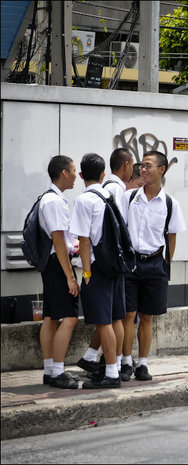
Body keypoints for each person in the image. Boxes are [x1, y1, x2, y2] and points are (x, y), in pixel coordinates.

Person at [119, 150, 186, 381]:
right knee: (128, 314)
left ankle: (143, 363)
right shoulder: (128, 198)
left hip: (156, 263)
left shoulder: (170, 203)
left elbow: (172, 236)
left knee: (147, 316)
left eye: (148, 166)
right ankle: (126, 361)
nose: (143, 170)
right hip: (131, 262)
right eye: (142, 166)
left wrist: (167, 265)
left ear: (161, 170)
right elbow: (120, 231)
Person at [76, 148, 132, 381]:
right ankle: (115, 366)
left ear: (80, 175)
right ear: (102, 175)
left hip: (97, 267)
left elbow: (84, 239)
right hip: (115, 266)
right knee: (116, 317)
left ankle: (110, 373)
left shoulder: (84, 200)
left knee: (103, 321)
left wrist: (86, 271)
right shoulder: (110, 195)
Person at [38, 155, 80, 389]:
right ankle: (58, 371)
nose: (76, 175)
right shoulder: (53, 201)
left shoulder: (51, 198)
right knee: (70, 317)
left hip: (53, 262)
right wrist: (70, 276)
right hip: (57, 263)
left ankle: (49, 370)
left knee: (51, 317)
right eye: (73, 171)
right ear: (64, 173)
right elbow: (57, 239)